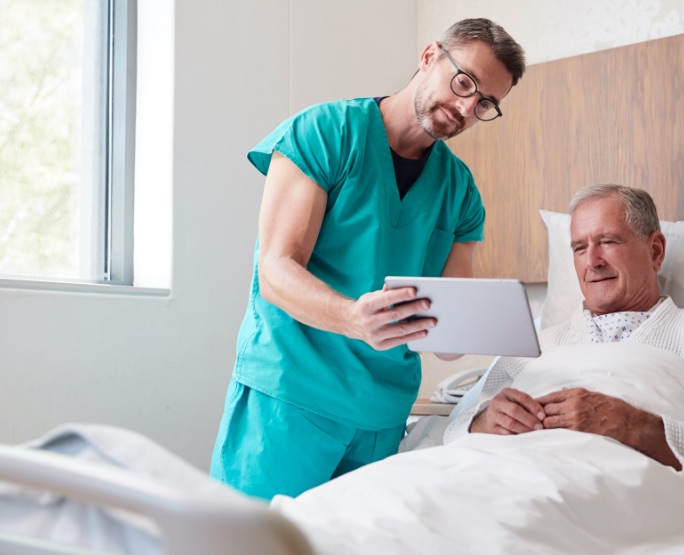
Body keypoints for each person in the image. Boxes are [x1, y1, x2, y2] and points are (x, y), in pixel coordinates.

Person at [210, 18, 527, 500]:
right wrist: (352, 318)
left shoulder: (461, 192)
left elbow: (448, 337)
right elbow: (275, 270)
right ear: (428, 57)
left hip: (381, 415)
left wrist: (487, 330)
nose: (466, 108)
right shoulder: (325, 134)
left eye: (485, 103)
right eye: (464, 82)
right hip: (290, 395)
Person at [444, 183, 684, 501]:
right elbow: (453, 432)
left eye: (608, 241)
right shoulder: (534, 345)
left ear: (655, 251)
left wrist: (633, 425)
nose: (592, 261)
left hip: (612, 497)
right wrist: (484, 422)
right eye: (579, 248)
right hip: (501, 483)